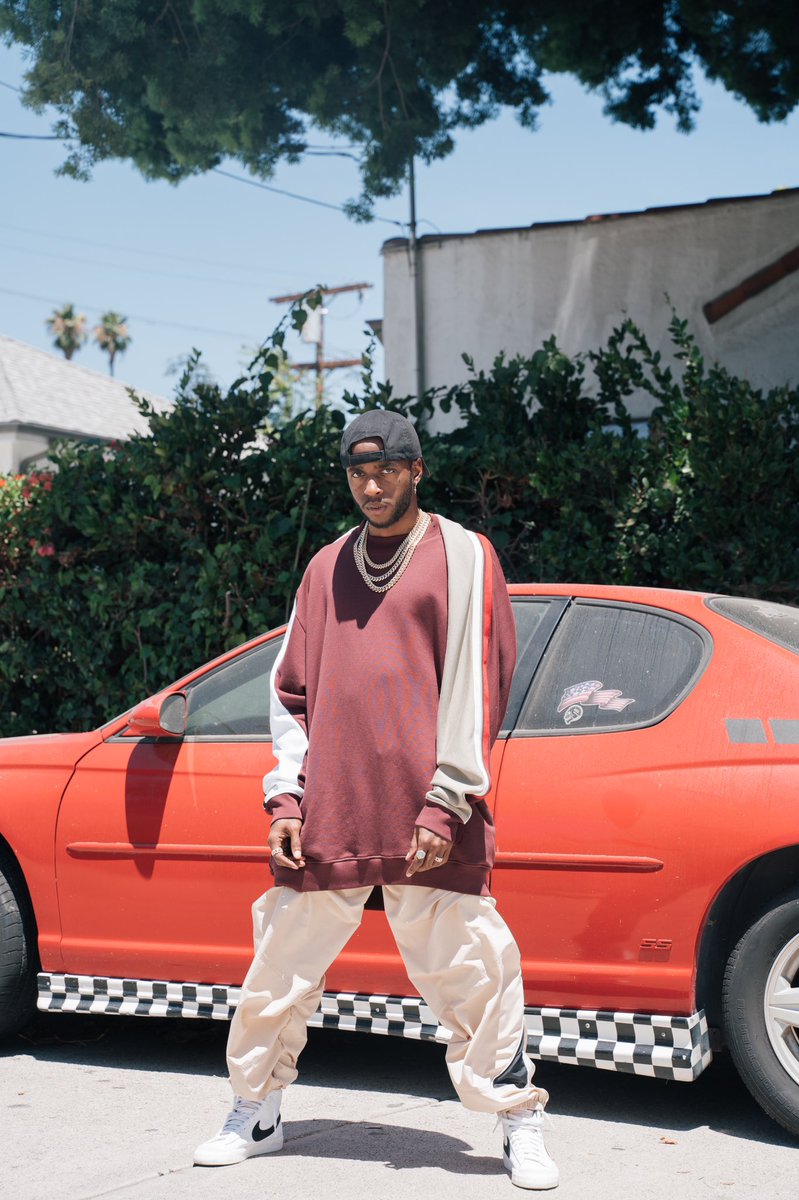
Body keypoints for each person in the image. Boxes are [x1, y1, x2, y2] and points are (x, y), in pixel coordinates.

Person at [194, 411, 558, 1190]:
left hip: (432, 811)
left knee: (475, 970)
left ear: (416, 470)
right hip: (332, 804)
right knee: (278, 966)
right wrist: (286, 799)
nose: (371, 484)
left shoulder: (463, 555)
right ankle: (254, 1110)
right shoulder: (325, 566)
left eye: (387, 469)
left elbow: (478, 686)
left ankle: (516, 1119)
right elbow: (288, 693)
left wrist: (445, 804)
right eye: (358, 472)